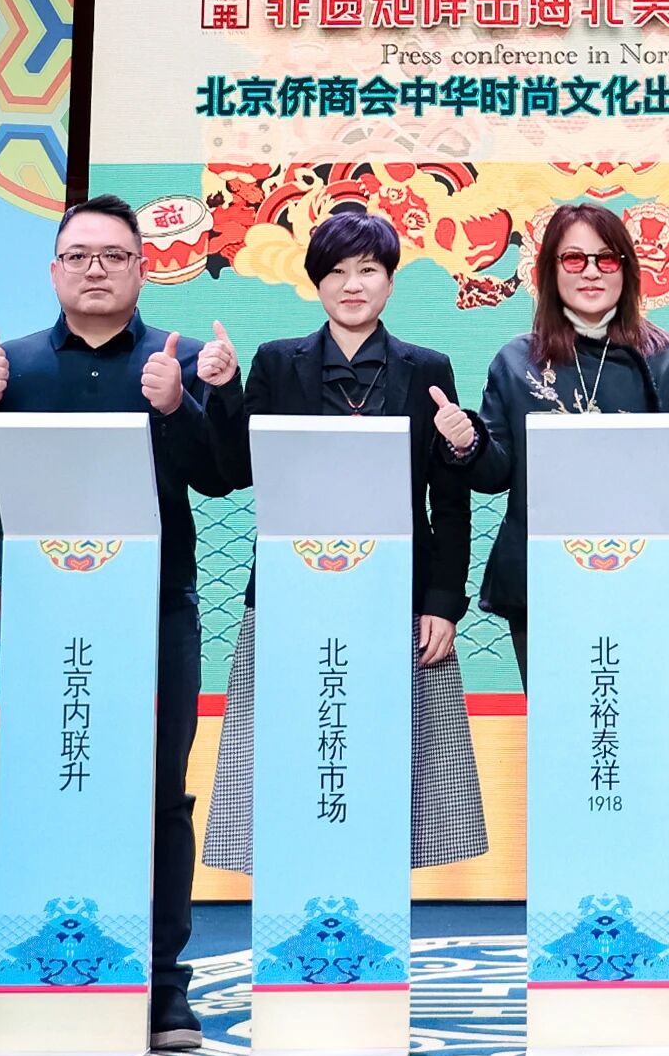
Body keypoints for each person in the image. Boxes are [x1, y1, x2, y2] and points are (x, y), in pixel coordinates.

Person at [0, 193, 243, 1056]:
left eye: (114, 256)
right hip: (47, 621)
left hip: (157, 611)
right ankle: (51, 969)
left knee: (159, 793)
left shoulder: (174, 358)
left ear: (143, 269)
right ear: (54, 270)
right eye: (78, 255)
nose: (95, 270)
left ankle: (163, 982)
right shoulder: (12, 364)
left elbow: (224, 475)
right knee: (54, 784)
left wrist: (182, 405)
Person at [203, 209, 497, 887]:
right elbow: (234, 470)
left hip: (397, 596)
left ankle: (372, 899)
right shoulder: (277, 362)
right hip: (290, 594)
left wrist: (443, 602)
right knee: (290, 751)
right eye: (335, 271)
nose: (352, 284)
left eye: (368, 269)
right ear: (315, 282)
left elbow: (449, 503)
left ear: (390, 280)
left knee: (384, 757)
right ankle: (297, 893)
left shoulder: (428, 368)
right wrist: (221, 391)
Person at [471, 200, 669, 668]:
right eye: (573, 259)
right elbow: (495, 472)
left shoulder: (665, 355)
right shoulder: (516, 361)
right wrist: (467, 442)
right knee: (557, 711)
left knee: (642, 711)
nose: (591, 272)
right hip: (543, 573)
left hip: (650, 571)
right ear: (549, 270)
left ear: (627, 269)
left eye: (607, 259)